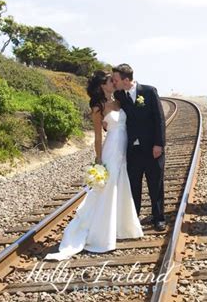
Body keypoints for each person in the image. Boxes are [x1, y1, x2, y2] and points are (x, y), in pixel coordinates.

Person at [45, 71, 143, 261]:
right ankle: (100, 234)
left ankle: (120, 227)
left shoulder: (119, 100)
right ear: (102, 85)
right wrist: (98, 159)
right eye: (109, 80)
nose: (113, 82)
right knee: (108, 188)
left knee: (121, 184)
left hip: (124, 148)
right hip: (112, 149)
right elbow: (98, 136)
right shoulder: (98, 107)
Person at [112, 64, 167, 231]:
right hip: (132, 150)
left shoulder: (149, 92)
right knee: (134, 185)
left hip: (152, 147)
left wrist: (159, 144)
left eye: (116, 80)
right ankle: (133, 218)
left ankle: (158, 218)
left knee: (155, 183)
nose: (114, 83)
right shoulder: (118, 95)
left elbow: (159, 119)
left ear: (126, 80)